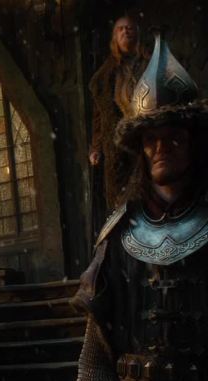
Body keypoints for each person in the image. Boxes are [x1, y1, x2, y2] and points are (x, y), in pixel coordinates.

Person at [74, 34, 208, 381]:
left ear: (193, 142)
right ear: (141, 147)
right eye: (151, 139)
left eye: (173, 137)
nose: (161, 148)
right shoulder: (118, 235)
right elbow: (98, 344)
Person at [88, 14, 147, 234]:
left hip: (147, 138)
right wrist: (96, 147)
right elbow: (100, 116)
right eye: (120, 29)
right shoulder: (105, 78)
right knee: (123, 208)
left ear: (137, 33)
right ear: (114, 37)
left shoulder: (149, 64)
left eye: (129, 28)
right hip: (119, 147)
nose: (125, 31)